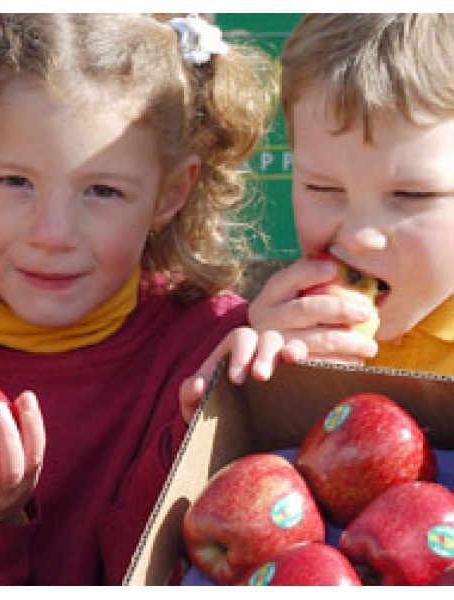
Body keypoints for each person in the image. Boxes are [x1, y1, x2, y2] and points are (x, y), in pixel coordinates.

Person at [0, 13, 276, 585]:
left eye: (102, 191)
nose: (53, 232)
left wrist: (203, 431)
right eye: (16, 182)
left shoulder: (213, 354)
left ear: (171, 193)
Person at [180, 14, 454, 422]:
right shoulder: (280, 328)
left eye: (412, 194)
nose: (360, 235)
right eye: (322, 188)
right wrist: (256, 395)